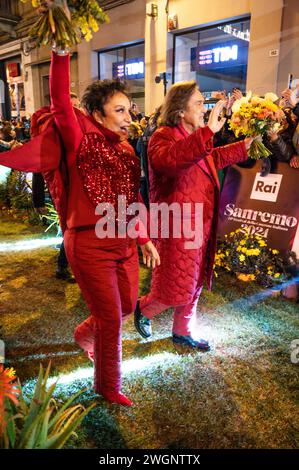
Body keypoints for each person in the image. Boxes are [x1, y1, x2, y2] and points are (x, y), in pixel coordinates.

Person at [50, 46, 159, 407]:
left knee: (126, 306)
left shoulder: (127, 150)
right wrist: (60, 53)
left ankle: (84, 335)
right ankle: (107, 386)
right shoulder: (79, 140)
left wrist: (143, 238)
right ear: (97, 114)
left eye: (130, 110)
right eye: (120, 110)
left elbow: (131, 199)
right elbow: (61, 105)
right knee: (112, 319)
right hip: (88, 244)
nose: (130, 117)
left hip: (124, 244)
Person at [134, 81, 253, 350]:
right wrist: (208, 131)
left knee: (195, 280)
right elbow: (172, 162)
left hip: (200, 223)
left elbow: (212, 158)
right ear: (180, 111)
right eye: (198, 103)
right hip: (177, 225)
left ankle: (183, 330)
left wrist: (246, 145)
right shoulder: (162, 137)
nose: (204, 109)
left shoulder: (195, 137)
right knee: (174, 285)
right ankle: (143, 309)